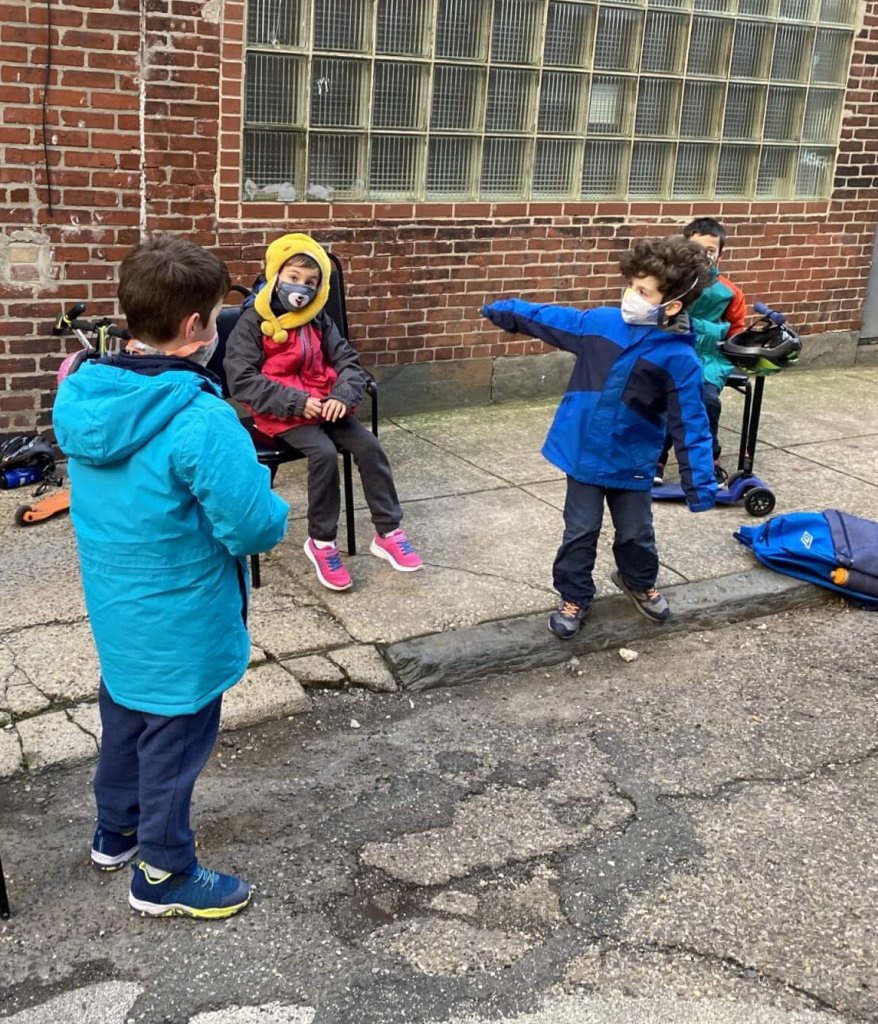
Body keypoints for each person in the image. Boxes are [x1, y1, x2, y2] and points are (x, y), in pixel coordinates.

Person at [53, 234, 289, 919]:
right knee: (175, 737)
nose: (217, 330)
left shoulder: (86, 395)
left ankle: (115, 832)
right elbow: (250, 526)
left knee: (126, 712)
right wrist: (272, 506)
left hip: (118, 603)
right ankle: (162, 869)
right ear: (195, 328)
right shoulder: (200, 417)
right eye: (215, 318)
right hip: (182, 613)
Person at [483, 235, 717, 640]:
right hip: (584, 454)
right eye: (631, 286)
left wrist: (700, 484)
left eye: (643, 292)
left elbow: (692, 425)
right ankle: (574, 595)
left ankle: (638, 581)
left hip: (632, 460)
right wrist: (505, 311)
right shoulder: (601, 323)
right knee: (580, 531)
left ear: (671, 305)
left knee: (636, 533)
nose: (631, 296)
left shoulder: (679, 359)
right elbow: (551, 319)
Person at [224, 232, 422, 591]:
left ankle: (388, 531)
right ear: (275, 275)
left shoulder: (318, 321)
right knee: (324, 453)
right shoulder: (253, 321)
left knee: (368, 446)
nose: (301, 288)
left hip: (326, 406)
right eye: (293, 278)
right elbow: (242, 380)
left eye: (311, 282)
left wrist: (343, 397)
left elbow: (348, 362)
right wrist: (297, 402)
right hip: (281, 413)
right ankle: (322, 542)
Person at [655, 217, 747, 485]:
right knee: (666, 400)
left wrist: (716, 335)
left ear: (720, 254)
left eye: (711, 251)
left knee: (706, 401)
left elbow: (735, 331)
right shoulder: (670, 284)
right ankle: (655, 459)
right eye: (697, 249)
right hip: (671, 354)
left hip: (709, 360)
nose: (704, 256)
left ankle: (709, 460)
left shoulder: (730, 292)